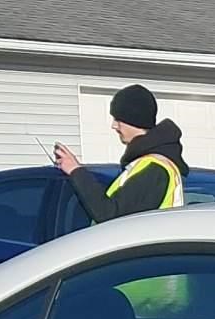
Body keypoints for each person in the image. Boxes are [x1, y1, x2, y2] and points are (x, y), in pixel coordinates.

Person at [52, 85, 188, 220]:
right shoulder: (149, 164)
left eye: (118, 119)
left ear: (134, 120)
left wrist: (76, 170)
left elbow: (110, 214)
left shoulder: (154, 169)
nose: (114, 125)